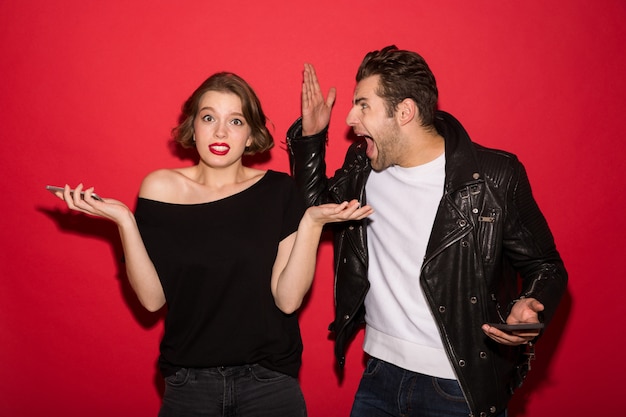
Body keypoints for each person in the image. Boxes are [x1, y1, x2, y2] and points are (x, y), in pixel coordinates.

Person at [50, 72, 373, 417]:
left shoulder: (279, 191)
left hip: (269, 385)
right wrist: (125, 223)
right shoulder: (160, 189)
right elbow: (151, 300)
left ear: (251, 136)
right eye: (209, 118)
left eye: (235, 121)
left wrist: (310, 222)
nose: (220, 132)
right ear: (194, 127)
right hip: (189, 385)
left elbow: (288, 300)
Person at [286, 46, 567, 417]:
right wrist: (311, 136)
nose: (351, 118)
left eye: (363, 105)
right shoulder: (364, 166)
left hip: (457, 387)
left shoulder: (493, 177)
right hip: (379, 375)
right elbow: (315, 209)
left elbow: (546, 265)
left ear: (404, 112)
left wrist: (531, 303)